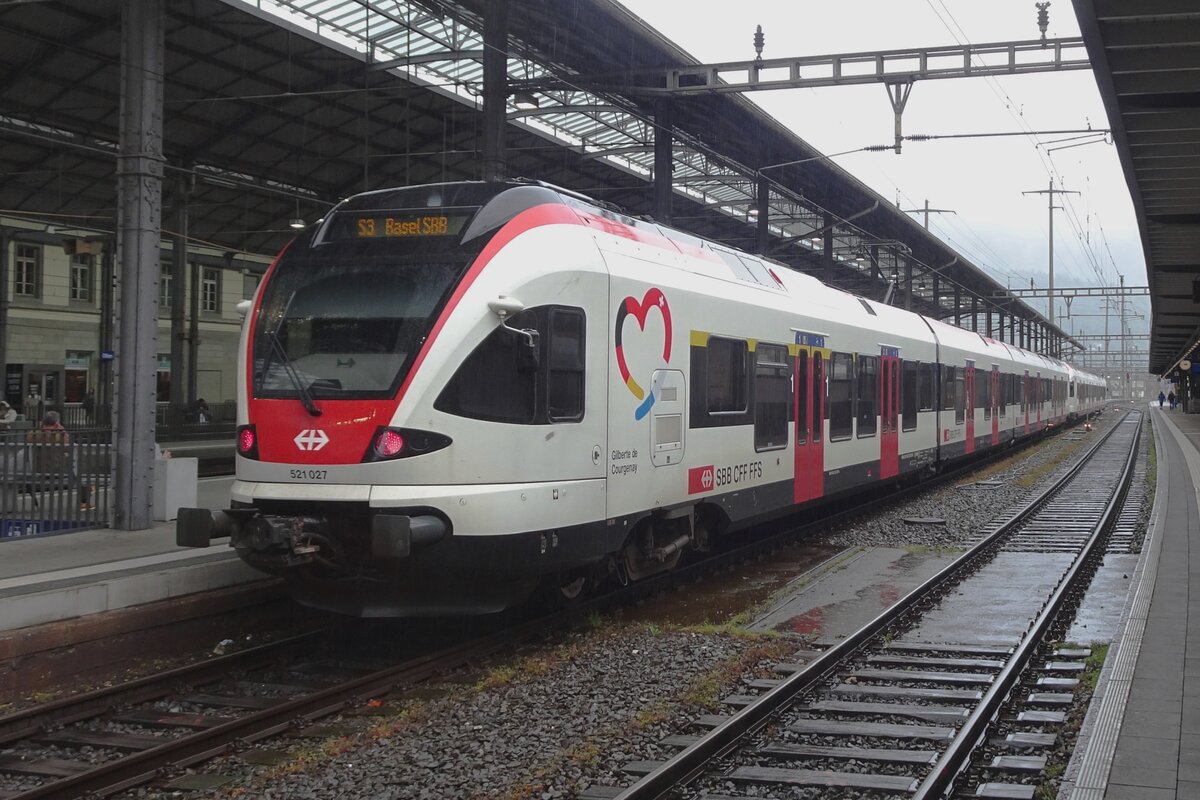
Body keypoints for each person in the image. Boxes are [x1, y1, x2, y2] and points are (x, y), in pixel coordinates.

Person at [25, 411, 92, 510]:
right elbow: (69, 448)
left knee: (26, 478)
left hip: (36, 469)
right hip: (58, 469)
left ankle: (35, 503)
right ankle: (84, 502)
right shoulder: (59, 434)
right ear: (57, 422)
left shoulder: (33, 434)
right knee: (81, 474)